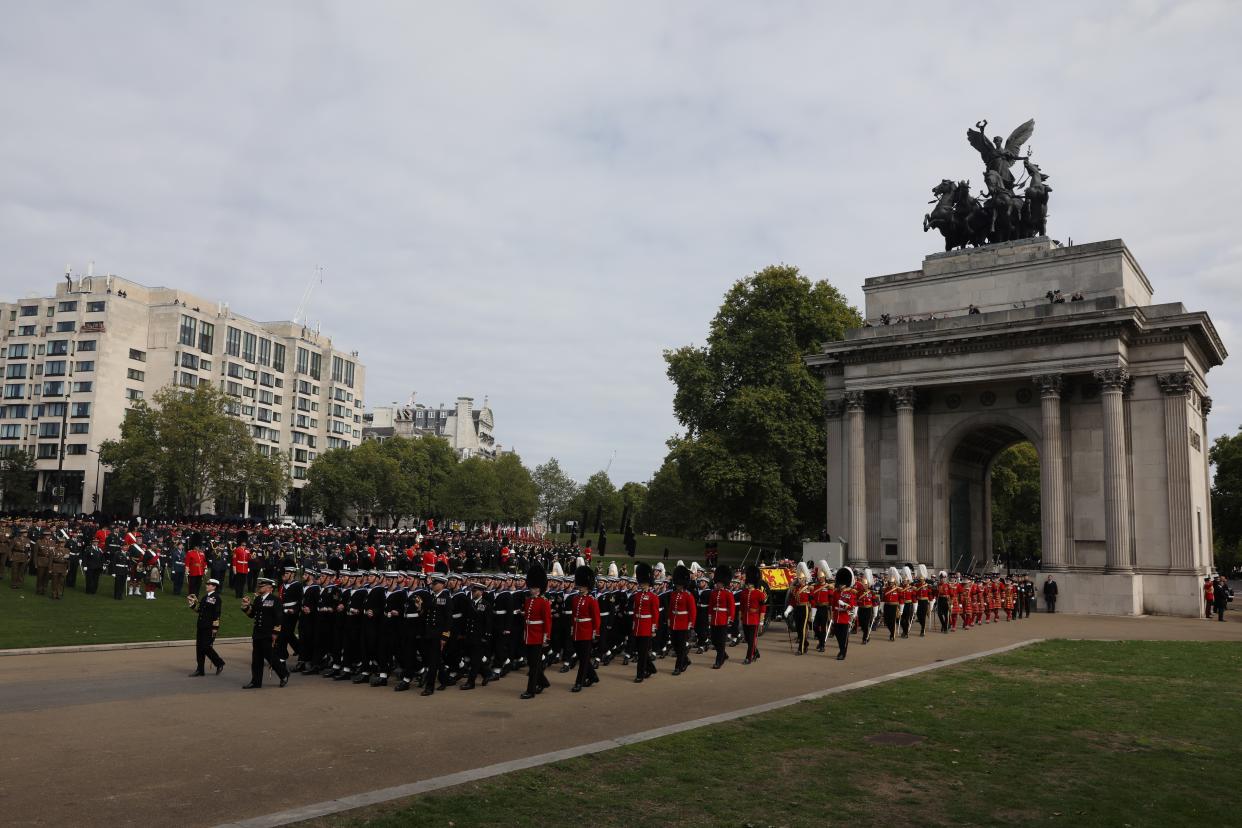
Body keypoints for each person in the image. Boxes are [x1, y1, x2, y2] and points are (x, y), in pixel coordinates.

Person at [240, 577, 289, 689]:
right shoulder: (258, 599)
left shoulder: (275, 600)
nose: (259, 587)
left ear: (269, 588)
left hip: (268, 633)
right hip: (257, 633)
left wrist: (275, 633)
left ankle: (284, 674)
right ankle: (256, 681)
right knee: (256, 659)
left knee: (271, 657)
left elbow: (279, 617)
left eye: (262, 586)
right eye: (260, 586)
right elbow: (252, 615)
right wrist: (246, 606)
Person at [520, 563, 552, 699]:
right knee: (533, 663)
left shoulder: (544, 602)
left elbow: (547, 621)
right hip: (529, 634)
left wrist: (546, 637)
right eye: (531, 587)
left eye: (534, 587)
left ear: (539, 588)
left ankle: (530, 690)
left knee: (533, 666)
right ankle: (543, 682)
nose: (531, 590)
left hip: (538, 636)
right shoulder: (528, 601)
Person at [569, 564, 600, 692]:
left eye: (582, 586)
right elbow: (574, 616)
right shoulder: (575, 599)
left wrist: (595, 632)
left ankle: (579, 683)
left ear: (587, 586)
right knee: (583, 658)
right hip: (577, 630)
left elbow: (596, 618)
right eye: (579, 585)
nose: (580, 588)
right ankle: (593, 676)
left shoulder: (592, 600)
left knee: (583, 660)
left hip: (587, 632)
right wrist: (572, 627)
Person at [187, 579, 225, 676]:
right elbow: (200, 610)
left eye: (209, 585)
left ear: (214, 587)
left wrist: (215, 628)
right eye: (207, 584)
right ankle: (200, 669)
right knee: (199, 648)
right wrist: (192, 604)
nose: (206, 586)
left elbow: (217, 614)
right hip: (201, 625)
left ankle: (219, 663)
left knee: (206, 647)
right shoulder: (204, 597)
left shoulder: (217, 598)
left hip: (209, 627)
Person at [631, 562, 660, 681]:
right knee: (640, 651)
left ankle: (640, 674)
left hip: (646, 627)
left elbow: (655, 614)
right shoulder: (637, 595)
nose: (642, 585)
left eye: (644, 583)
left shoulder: (653, 597)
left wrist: (653, 629)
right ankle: (651, 668)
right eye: (641, 583)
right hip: (638, 625)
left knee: (642, 653)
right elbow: (635, 611)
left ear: (648, 583)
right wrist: (634, 625)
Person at [668, 564, 697, 675]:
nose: (678, 586)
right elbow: (671, 609)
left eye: (679, 584)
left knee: (680, 646)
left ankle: (678, 667)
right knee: (675, 645)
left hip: (684, 624)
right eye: (677, 584)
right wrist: (670, 619)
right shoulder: (673, 594)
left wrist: (691, 624)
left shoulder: (688, 595)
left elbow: (693, 611)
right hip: (675, 623)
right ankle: (685, 660)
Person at [708, 565, 736, 669]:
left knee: (721, 641)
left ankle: (719, 660)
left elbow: (732, 608)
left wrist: (730, 619)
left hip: (723, 619)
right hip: (714, 619)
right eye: (717, 583)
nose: (717, 584)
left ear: (723, 583)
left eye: (719, 583)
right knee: (714, 640)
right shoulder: (713, 593)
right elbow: (711, 606)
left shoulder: (728, 594)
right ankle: (723, 654)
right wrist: (710, 617)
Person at [740, 565, 767, 664]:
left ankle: (749, 657)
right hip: (746, 619)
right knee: (748, 639)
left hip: (754, 619)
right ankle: (755, 652)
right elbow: (742, 606)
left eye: (750, 582)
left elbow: (763, 608)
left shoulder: (759, 594)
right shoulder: (744, 593)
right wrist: (741, 617)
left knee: (751, 640)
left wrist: (761, 622)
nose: (749, 584)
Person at [832, 567, 857, 660]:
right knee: (838, 636)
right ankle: (841, 650)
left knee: (844, 637)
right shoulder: (835, 593)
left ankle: (842, 652)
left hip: (845, 617)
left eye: (841, 583)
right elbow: (833, 605)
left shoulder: (850, 593)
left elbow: (851, 606)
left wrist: (844, 605)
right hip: (836, 617)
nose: (840, 585)